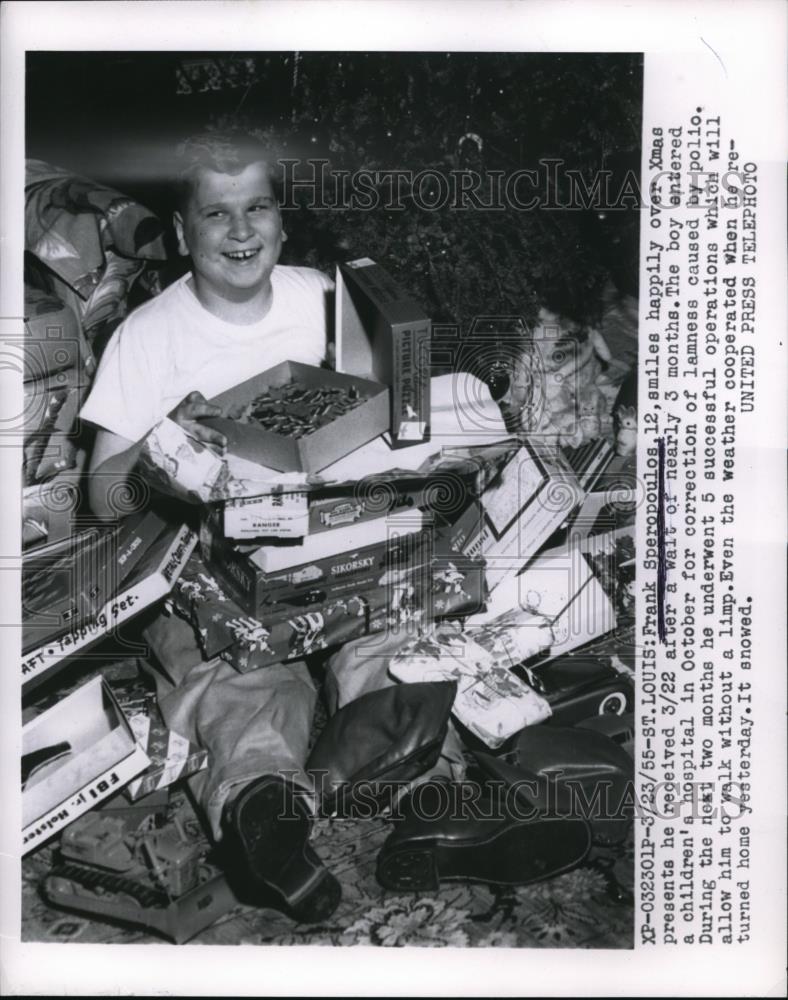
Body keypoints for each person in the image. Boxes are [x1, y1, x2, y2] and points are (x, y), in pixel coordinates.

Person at [80, 131, 465, 923]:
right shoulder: (148, 336)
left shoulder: (324, 299)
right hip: (216, 566)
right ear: (184, 234)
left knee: (395, 638)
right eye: (216, 215)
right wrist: (161, 458)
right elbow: (102, 497)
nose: (241, 231)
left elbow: (390, 408)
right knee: (239, 677)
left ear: (283, 221)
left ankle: (431, 803)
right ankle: (266, 814)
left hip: (338, 540)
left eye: (257, 207)